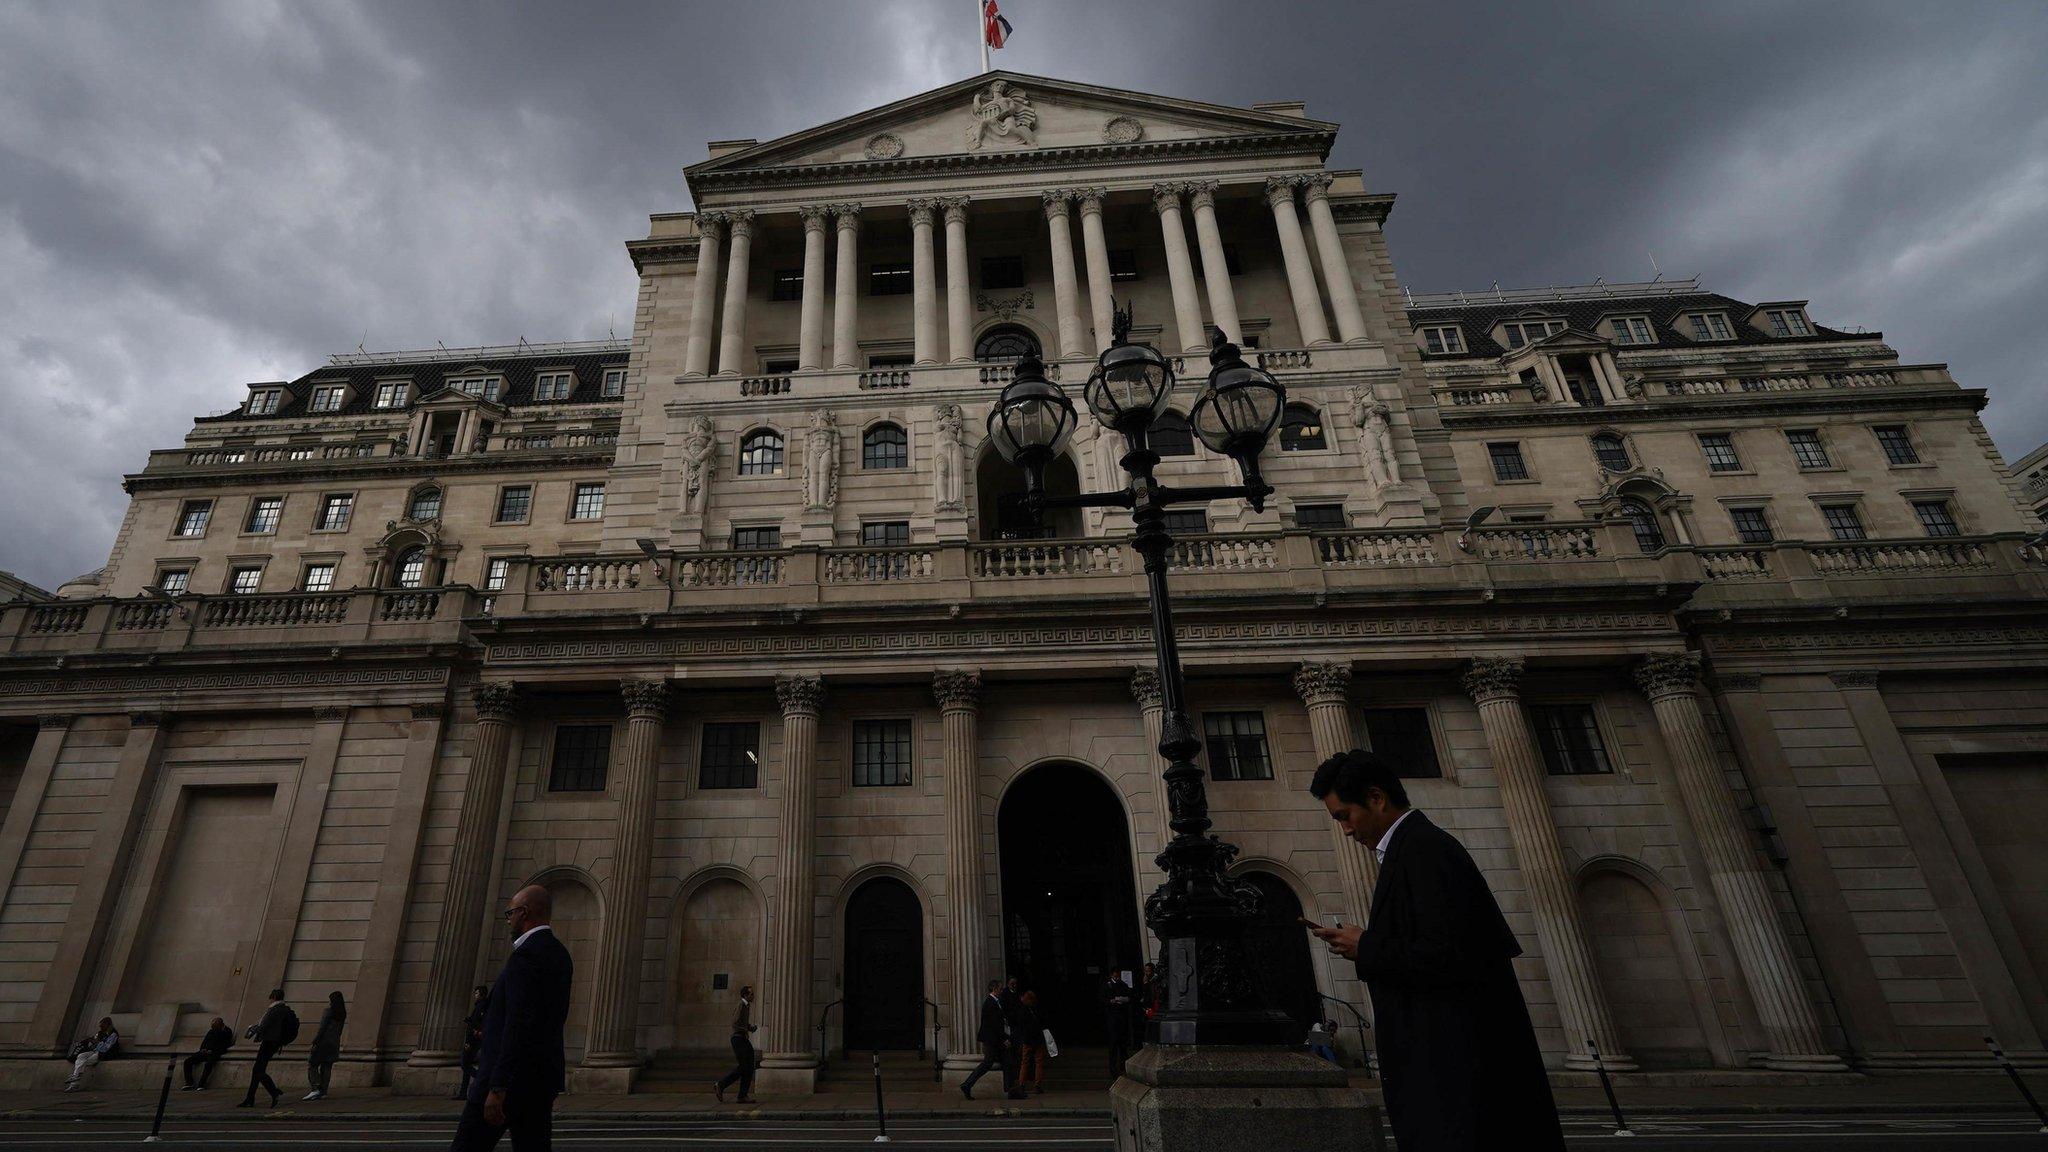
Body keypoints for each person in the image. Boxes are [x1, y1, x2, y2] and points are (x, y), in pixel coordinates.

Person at [1308, 749, 1564, 1151]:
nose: (1345, 830)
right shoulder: (1413, 849)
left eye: (1344, 815)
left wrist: (1368, 945)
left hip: (1459, 1079)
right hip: (1452, 1074)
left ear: (1376, 798)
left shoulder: (1425, 850)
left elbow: (1450, 954)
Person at [451, 883, 573, 1152]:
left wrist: (498, 1084)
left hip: (508, 1081)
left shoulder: (526, 956)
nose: (508, 920)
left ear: (524, 912)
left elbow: (518, 1022)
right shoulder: (559, 954)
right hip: (540, 1080)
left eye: (510, 913)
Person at [959, 979, 1025, 1101]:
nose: (1001, 990)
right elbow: (995, 1024)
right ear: (994, 989)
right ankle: (967, 1085)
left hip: (995, 1040)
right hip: (992, 1041)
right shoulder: (990, 1003)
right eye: (999, 988)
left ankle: (1010, 1090)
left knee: (1007, 1062)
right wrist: (1004, 1039)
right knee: (988, 1063)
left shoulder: (995, 1002)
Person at [239, 989, 297, 1108]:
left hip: (269, 1042)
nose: (270, 999)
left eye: (271, 997)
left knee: (258, 1071)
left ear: (274, 997)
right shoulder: (284, 1009)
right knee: (257, 1071)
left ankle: (273, 1091)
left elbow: (264, 1026)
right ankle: (250, 1098)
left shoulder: (275, 1010)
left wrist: (252, 1030)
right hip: (274, 1043)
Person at [714, 984, 757, 1104]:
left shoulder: (746, 1006)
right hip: (738, 1039)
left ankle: (742, 1095)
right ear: (746, 995)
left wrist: (750, 1028)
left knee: (749, 1066)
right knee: (745, 1066)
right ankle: (721, 1085)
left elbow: (741, 1022)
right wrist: (745, 1029)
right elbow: (735, 1022)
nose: (753, 996)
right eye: (751, 994)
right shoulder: (741, 1005)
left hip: (742, 1037)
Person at [304, 991, 347, 1100]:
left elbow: (322, 1028)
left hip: (323, 1042)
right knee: (327, 1067)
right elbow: (340, 1030)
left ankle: (315, 1088)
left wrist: (315, 1041)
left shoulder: (328, 1011)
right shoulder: (342, 1013)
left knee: (312, 1063)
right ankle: (323, 1091)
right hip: (334, 1042)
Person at [62, 1017, 119, 1091]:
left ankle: (74, 1082)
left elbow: (106, 1048)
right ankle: (75, 1078)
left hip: (104, 1054)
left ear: (108, 1025)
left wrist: (98, 1042)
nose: (101, 1028)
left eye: (102, 1026)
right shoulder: (100, 1033)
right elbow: (92, 1045)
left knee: (83, 1062)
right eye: (100, 1026)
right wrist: (90, 1041)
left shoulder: (113, 1034)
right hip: (94, 1051)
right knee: (80, 1056)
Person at [1098, 968, 1134, 1078]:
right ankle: (1113, 1068)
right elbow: (1102, 999)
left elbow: (1129, 997)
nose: (1116, 978)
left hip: (1121, 1016)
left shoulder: (1123, 985)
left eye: (1118, 976)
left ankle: (1122, 1065)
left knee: (1122, 1044)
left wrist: (1124, 999)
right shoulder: (1106, 985)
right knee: (1113, 1044)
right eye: (1115, 976)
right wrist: (1111, 1001)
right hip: (1112, 1016)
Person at [181, 1017, 234, 1090]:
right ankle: (189, 1083)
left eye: (215, 1027)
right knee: (188, 1061)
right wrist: (203, 1050)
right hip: (205, 1052)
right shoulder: (211, 1031)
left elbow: (224, 1045)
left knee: (209, 1064)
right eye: (213, 1027)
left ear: (221, 1025)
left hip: (215, 1053)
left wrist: (212, 1051)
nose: (213, 1028)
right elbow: (204, 1042)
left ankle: (201, 1084)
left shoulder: (227, 1031)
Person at [457, 985, 490, 1101]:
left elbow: (476, 1026)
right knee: (467, 1064)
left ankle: (482, 1080)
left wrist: (469, 1042)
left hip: (473, 1040)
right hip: (475, 1040)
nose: (475, 996)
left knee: (465, 1064)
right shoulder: (481, 1007)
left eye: (476, 993)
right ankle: (463, 1092)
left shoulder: (481, 1007)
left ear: (481, 994)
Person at [1013, 990, 1048, 1095]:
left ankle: (1021, 1084)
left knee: (1025, 1062)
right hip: (1038, 1040)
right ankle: (1037, 1084)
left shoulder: (1022, 1011)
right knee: (1039, 1062)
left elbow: (1020, 1026)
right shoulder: (1037, 1010)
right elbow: (1043, 1022)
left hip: (1027, 1040)